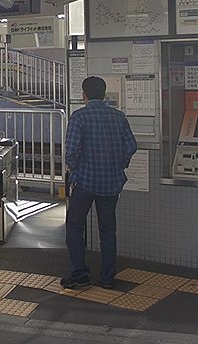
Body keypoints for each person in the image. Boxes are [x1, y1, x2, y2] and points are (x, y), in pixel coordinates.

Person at [62, 75, 137, 290]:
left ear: (84, 95)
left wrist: (75, 169)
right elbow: (131, 146)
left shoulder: (79, 117)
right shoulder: (119, 117)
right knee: (107, 229)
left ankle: (80, 273)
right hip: (111, 184)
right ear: (104, 94)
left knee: (75, 226)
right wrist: (119, 164)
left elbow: (72, 151)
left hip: (84, 183)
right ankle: (107, 278)